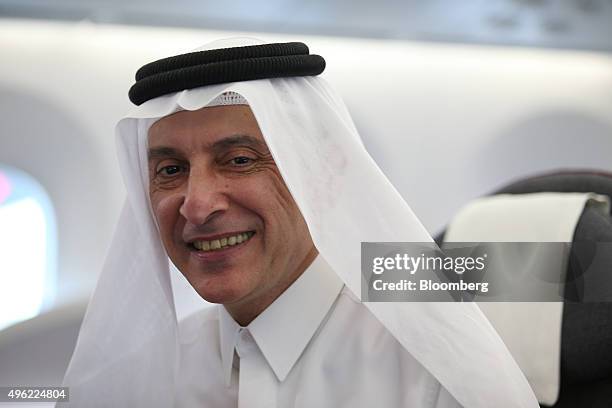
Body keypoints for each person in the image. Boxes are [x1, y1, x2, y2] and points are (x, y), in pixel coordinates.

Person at [61, 38, 538, 407]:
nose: (197, 205)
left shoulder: (429, 373)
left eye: (240, 160)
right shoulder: (150, 376)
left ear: (321, 177)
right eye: (170, 171)